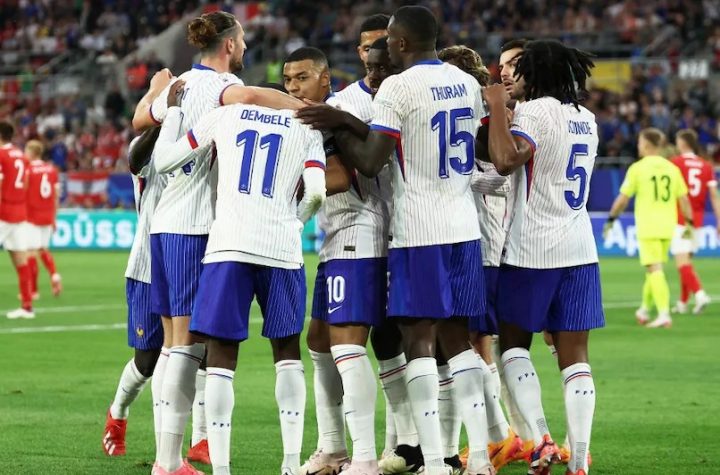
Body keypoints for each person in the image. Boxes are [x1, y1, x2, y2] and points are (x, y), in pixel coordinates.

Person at [301, 6, 493, 475]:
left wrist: (337, 124)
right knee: (458, 341)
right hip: (464, 227)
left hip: (419, 230)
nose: (384, 46)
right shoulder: (465, 82)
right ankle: (479, 457)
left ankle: (434, 461)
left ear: (402, 43)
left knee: (419, 341)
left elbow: (370, 161)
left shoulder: (398, 88)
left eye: (388, 39)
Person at [132, 12, 306, 475]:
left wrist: (157, 92)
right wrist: (299, 104)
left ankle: (171, 456)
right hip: (195, 226)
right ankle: (169, 460)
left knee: (173, 346)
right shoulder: (224, 86)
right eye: (242, 40)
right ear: (229, 45)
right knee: (187, 349)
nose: (245, 48)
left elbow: (138, 120)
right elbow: (248, 96)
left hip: (163, 223)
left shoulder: (180, 84)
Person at [153, 83, 327, 475]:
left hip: (228, 247)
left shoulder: (223, 116)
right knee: (287, 353)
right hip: (281, 250)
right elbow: (316, 193)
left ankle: (221, 469)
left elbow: (164, 162)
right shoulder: (306, 128)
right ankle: (289, 465)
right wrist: (293, 224)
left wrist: (174, 112)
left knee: (220, 357)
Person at [484, 39, 603, 475]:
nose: (511, 76)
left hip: (532, 249)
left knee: (513, 346)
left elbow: (506, 160)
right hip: (580, 249)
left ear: (536, 74)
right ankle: (580, 460)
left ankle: (542, 440)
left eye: (520, 69)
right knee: (576, 359)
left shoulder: (535, 111)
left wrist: (497, 109)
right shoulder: (586, 118)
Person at [438, 45, 521, 473]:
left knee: (471, 341)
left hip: (484, 245)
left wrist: (456, 174)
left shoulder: (486, 124)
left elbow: (504, 181)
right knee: (474, 341)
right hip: (462, 242)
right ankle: (499, 434)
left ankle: (501, 436)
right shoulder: (462, 121)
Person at [102, 120, 169, 457]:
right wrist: (164, 120)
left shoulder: (203, 141)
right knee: (147, 362)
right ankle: (118, 413)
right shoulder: (147, 148)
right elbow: (134, 159)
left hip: (194, 264)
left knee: (199, 354)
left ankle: (200, 440)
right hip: (148, 267)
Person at [606, 128, 694, 329]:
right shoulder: (672, 168)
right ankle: (644, 309)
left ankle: (664, 314)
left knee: (654, 269)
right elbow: (684, 199)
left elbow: (622, 199)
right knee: (653, 269)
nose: (638, 146)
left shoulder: (638, 168)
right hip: (668, 226)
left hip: (648, 226)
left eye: (639, 142)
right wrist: (689, 223)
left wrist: (611, 219)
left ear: (646, 145)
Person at [669, 129, 717, 314]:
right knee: (686, 262)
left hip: (681, 218)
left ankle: (700, 294)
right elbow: (714, 196)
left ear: (682, 143)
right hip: (697, 220)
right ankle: (682, 302)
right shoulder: (706, 166)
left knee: (682, 263)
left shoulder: (675, 163)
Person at [0, 121, 34, 319]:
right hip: (19, 211)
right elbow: (26, 183)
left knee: (20, 258)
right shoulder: (21, 155)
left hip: (4, 211)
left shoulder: (1, 155)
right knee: (20, 259)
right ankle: (27, 306)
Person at [25, 139, 62, 300]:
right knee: (43, 249)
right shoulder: (52, 169)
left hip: (32, 215)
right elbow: (56, 195)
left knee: (30, 253)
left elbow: (24, 190)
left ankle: (33, 291)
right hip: (47, 215)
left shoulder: (28, 169)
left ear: (32, 152)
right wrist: (54, 217)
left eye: (26, 151)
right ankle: (54, 275)